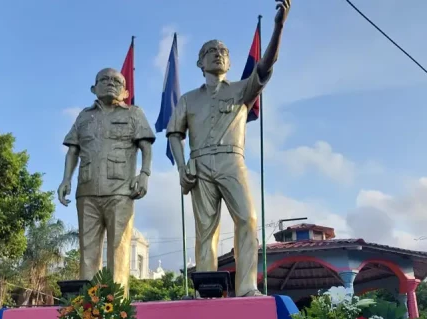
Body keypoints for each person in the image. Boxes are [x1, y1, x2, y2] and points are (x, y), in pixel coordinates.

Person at [166, 0, 291, 297]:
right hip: (199, 164)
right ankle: (205, 289)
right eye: (211, 51)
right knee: (205, 230)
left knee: (248, 219)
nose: (218, 54)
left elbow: (266, 65)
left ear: (230, 63)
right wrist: (182, 168)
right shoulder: (187, 99)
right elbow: (174, 133)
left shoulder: (241, 89)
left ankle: (246, 286)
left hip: (231, 161)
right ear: (200, 63)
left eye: (223, 51)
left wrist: (278, 26)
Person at [58, 68, 156, 297]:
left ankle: (117, 306)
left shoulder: (134, 114)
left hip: (121, 191)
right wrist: (66, 179)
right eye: (105, 79)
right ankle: (87, 309)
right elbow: (73, 150)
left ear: (125, 91)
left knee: (119, 249)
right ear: (94, 88)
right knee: (87, 251)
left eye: (116, 81)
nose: (111, 83)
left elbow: (146, 147)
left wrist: (145, 174)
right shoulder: (84, 116)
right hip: (87, 190)